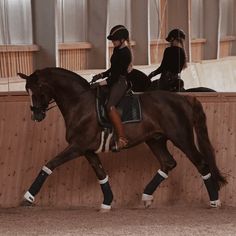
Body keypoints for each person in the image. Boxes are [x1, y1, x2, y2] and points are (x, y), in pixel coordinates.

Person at [92, 25, 132, 151]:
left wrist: (101, 83)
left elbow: (115, 76)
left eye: (115, 39)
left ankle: (122, 138)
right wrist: (101, 75)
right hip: (114, 78)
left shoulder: (125, 53)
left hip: (120, 82)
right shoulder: (117, 49)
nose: (113, 42)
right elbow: (113, 69)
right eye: (112, 40)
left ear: (122, 40)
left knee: (110, 105)